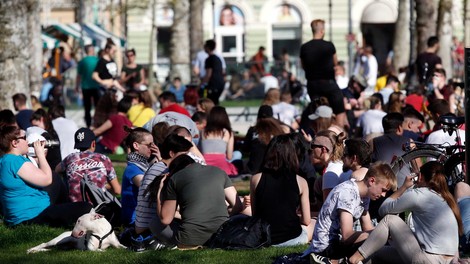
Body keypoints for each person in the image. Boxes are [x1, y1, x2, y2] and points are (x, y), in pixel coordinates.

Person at [348, 161, 462, 264]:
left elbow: (383, 210)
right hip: (446, 260)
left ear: (420, 177)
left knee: (390, 220)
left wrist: (403, 187)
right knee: (376, 251)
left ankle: (354, 259)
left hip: (427, 259)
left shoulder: (419, 194)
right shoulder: (445, 198)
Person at [0, 125, 92, 227]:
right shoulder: (15, 161)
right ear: (14, 143)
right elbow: (47, 179)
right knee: (85, 207)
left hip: (26, 215)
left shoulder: (5, 160)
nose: (27, 141)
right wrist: (40, 155)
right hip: (31, 217)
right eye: (24, 138)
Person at [307, 162, 397, 263]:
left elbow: (368, 228)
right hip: (325, 247)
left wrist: (384, 234)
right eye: (383, 190)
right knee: (371, 248)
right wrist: (378, 233)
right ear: (372, 181)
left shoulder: (365, 196)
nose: (384, 195)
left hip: (338, 243)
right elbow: (347, 236)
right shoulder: (348, 193)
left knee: (376, 247)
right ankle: (332, 261)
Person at [155, 154, 244, 248]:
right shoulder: (218, 171)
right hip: (222, 234)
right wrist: (225, 217)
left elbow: (165, 220)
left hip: (190, 240)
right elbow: (238, 205)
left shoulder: (175, 178)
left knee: (155, 223)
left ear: (176, 170)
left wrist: (159, 191)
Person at [250, 134, 313, 246]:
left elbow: (255, 214)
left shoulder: (256, 179)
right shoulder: (301, 181)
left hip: (262, 237)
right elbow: (306, 220)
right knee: (314, 222)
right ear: (292, 155)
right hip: (292, 238)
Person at [300, 19, 348, 129]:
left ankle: (320, 131)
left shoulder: (304, 47)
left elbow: (303, 66)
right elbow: (335, 63)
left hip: (312, 85)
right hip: (328, 83)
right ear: (322, 31)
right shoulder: (329, 46)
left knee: (317, 111)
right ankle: (339, 131)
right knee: (339, 107)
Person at [56, 127, 121, 203]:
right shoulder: (103, 159)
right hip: (98, 208)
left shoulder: (69, 158)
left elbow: (57, 170)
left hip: (74, 208)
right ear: (93, 143)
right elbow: (117, 191)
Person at [121, 127, 159, 226]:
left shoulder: (145, 165)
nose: (153, 148)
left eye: (154, 145)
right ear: (136, 145)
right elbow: (149, 187)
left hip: (143, 218)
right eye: (149, 145)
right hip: (135, 221)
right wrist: (161, 161)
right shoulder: (132, 169)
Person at [200, 106, 242, 176]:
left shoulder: (203, 131)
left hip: (205, 166)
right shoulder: (227, 132)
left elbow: (201, 151)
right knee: (237, 154)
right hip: (221, 167)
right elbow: (229, 157)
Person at [76, 44, 100, 128]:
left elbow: (79, 75)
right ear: (92, 50)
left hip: (85, 87)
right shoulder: (97, 60)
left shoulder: (82, 61)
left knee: (87, 107)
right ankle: (97, 123)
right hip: (96, 86)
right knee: (98, 106)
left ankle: (88, 124)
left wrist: (77, 86)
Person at [201, 40, 225, 105]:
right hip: (220, 84)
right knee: (215, 102)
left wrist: (200, 84)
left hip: (214, 85)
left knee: (210, 103)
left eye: (205, 46)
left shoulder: (209, 59)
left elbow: (208, 75)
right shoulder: (218, 58)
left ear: (208, 47)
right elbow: (223, 71)